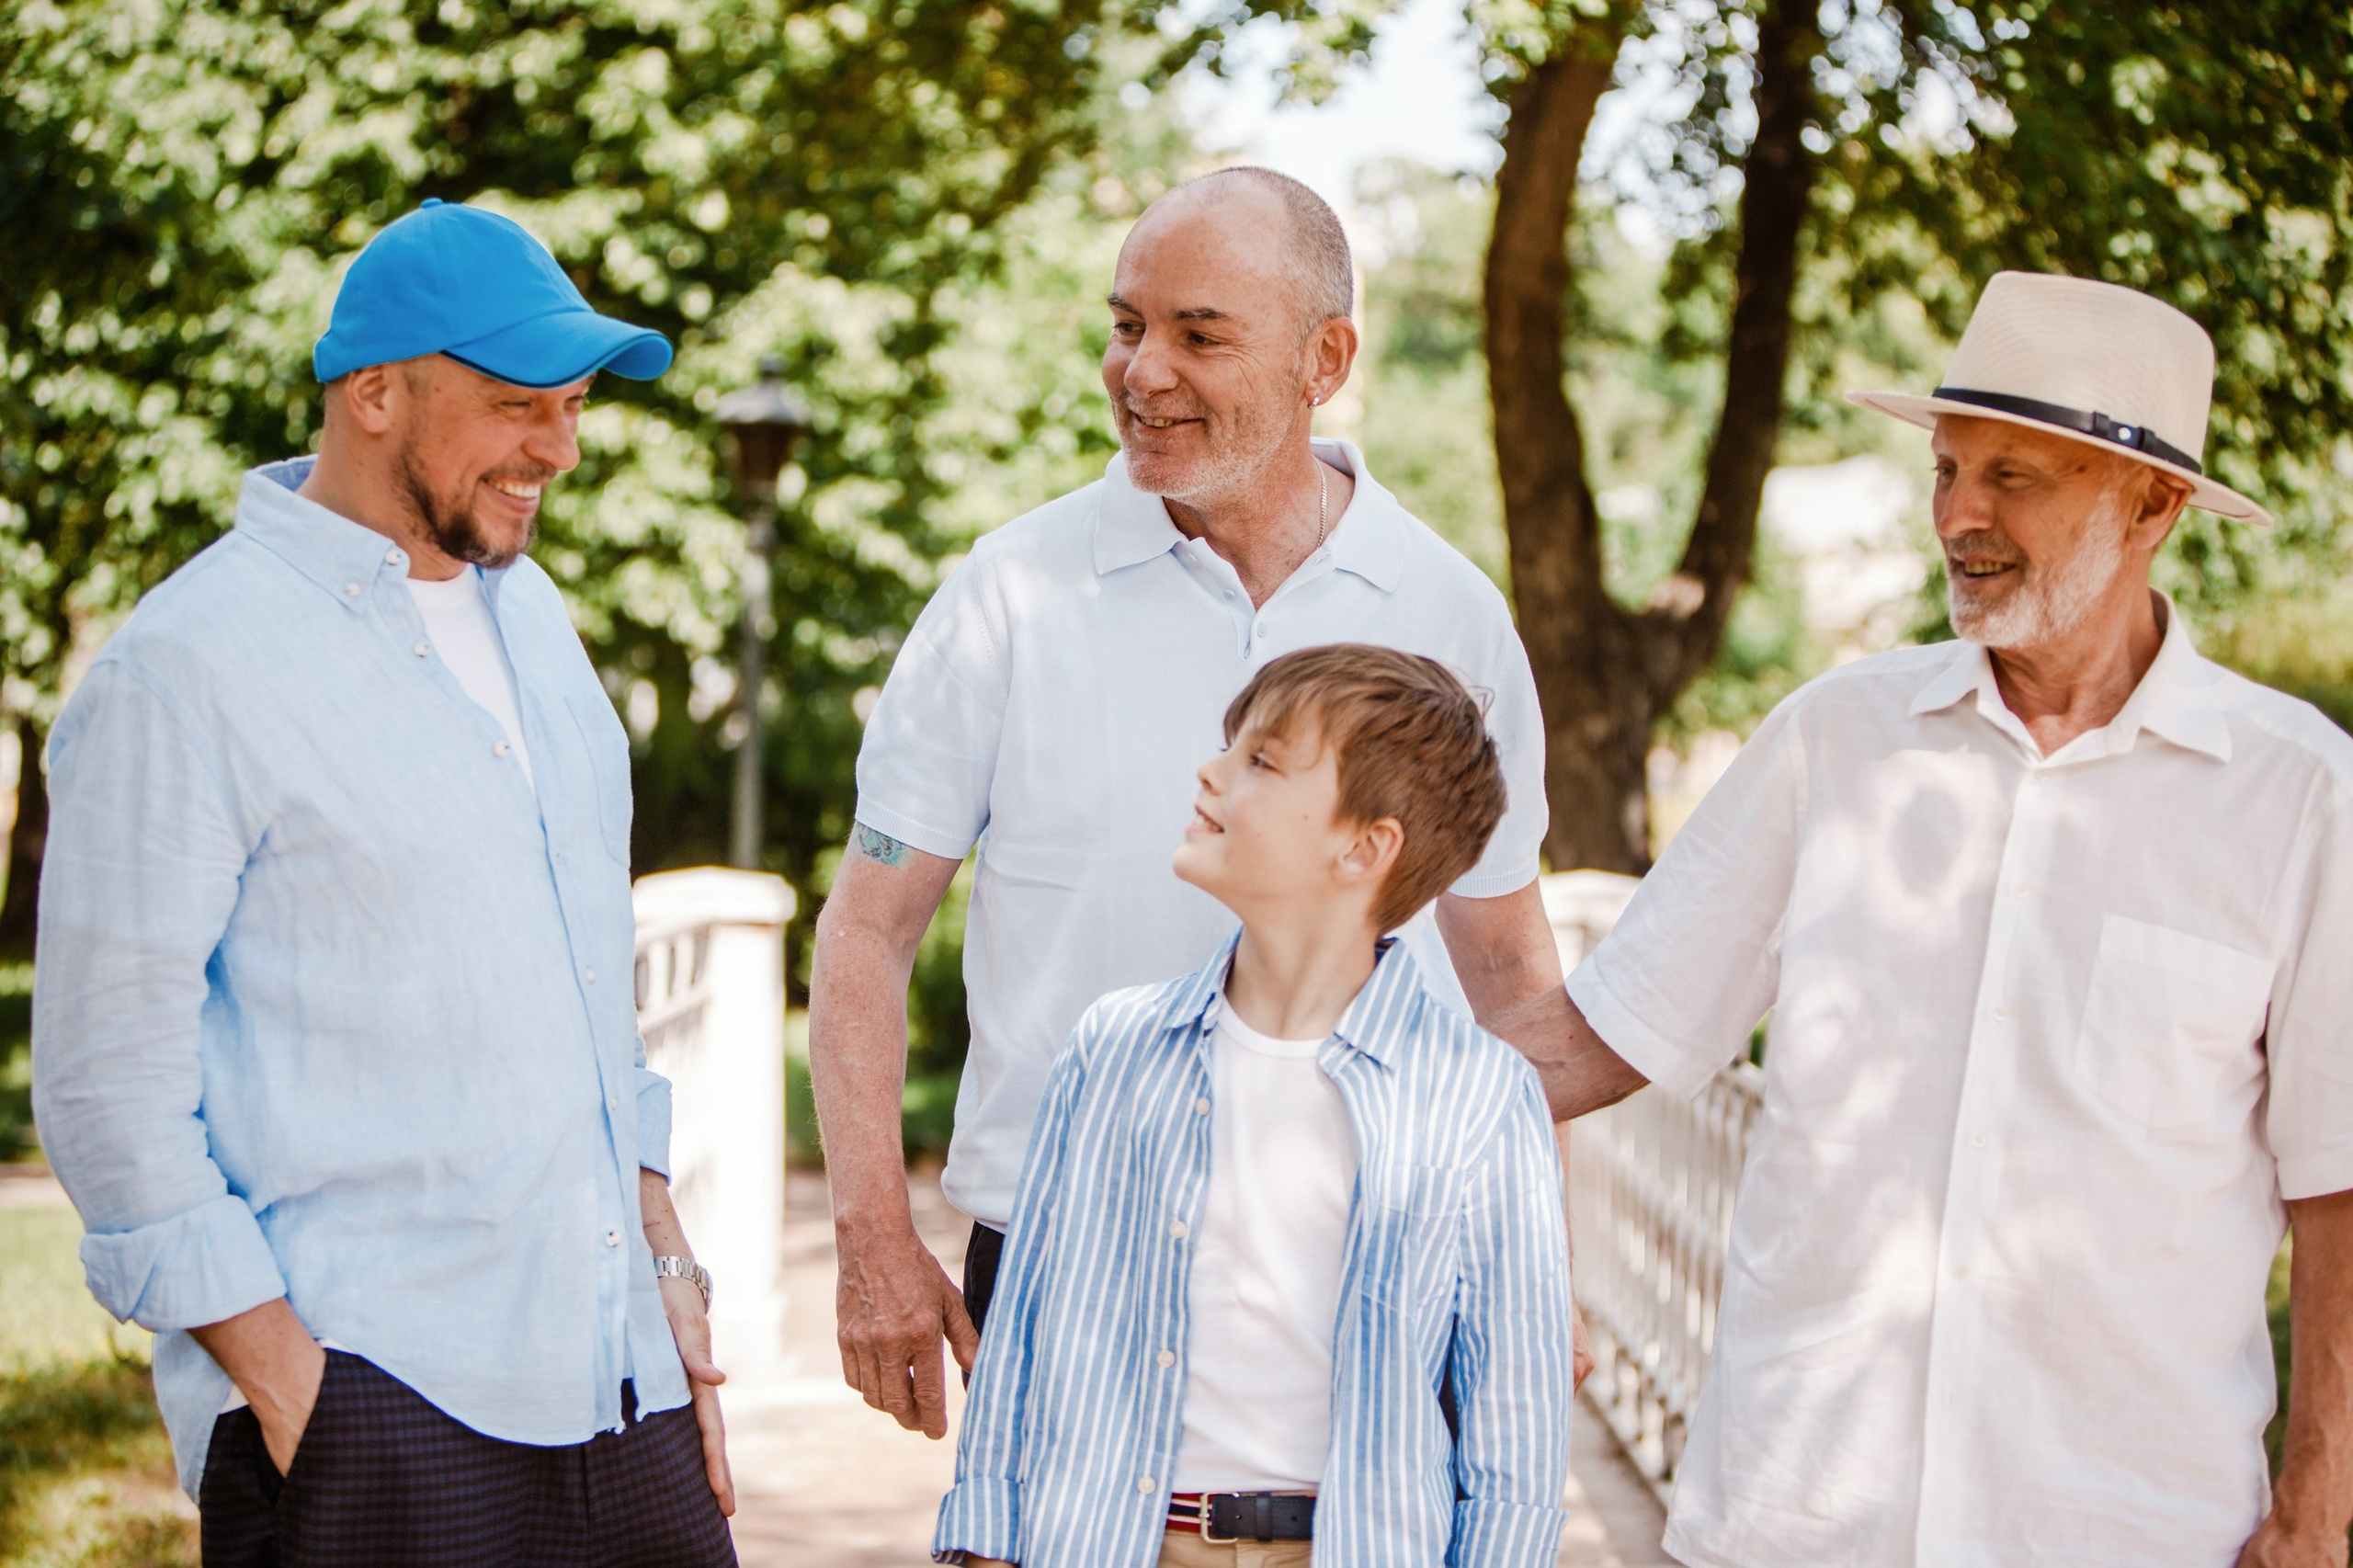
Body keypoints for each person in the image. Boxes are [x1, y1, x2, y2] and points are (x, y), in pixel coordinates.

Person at [1503, 270, 2353, 1567]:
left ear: (2154, 504)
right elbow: (1598, 1037)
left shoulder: (2298, 795)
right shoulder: (1832, 740)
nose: (1961, 514)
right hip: (1795, 1519)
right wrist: (1304, 1042)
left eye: (2017, 475)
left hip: (2129, 1529)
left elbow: (2337, 1185)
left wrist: (2318, 1512)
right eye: (1948, 469)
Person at [812, 165, 1579, 1439]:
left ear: (1322, 358)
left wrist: (1540, 1279)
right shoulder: (1009, 593)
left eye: (1198, 334)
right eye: (1126, 325)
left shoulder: (1450, 613)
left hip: (1373, 1272)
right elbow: (868, 927)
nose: (1141, 371)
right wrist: (873, 1238)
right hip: (1067, 1259)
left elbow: (1507, 974)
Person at [32, 199, 737, 1565]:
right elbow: (107, 1091)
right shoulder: (183, 669)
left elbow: (590, 995)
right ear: (372, 393)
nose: (560, 448)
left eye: (576, 405)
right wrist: (302, 1400)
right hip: (374, 1406)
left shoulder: (531, 617)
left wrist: (667, 1273)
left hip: (620, 1387)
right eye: (516, 404)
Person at [933, 645, 1577, 1568]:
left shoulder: (1478, 1096)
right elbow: (1025, 1331)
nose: (1211, 770)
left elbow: (1512, 1434)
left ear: (1364, 845)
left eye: (1262, 761)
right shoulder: (1113, 1049)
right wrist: (984, 1540)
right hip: (1113, 1542)